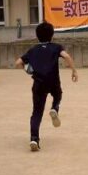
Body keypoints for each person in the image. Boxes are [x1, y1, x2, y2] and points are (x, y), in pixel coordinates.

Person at [15, 21, 78, 151]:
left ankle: (34, 139)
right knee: (58, 94)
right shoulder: (56, 47)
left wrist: (28, 70)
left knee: (37, 112)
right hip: (53, 81)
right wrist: (74, 71)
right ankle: (54, 108)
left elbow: (18, 63)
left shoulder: (33, 50)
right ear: (52, 35)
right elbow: (66, 56)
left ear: (37, 36)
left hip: (38, 83)